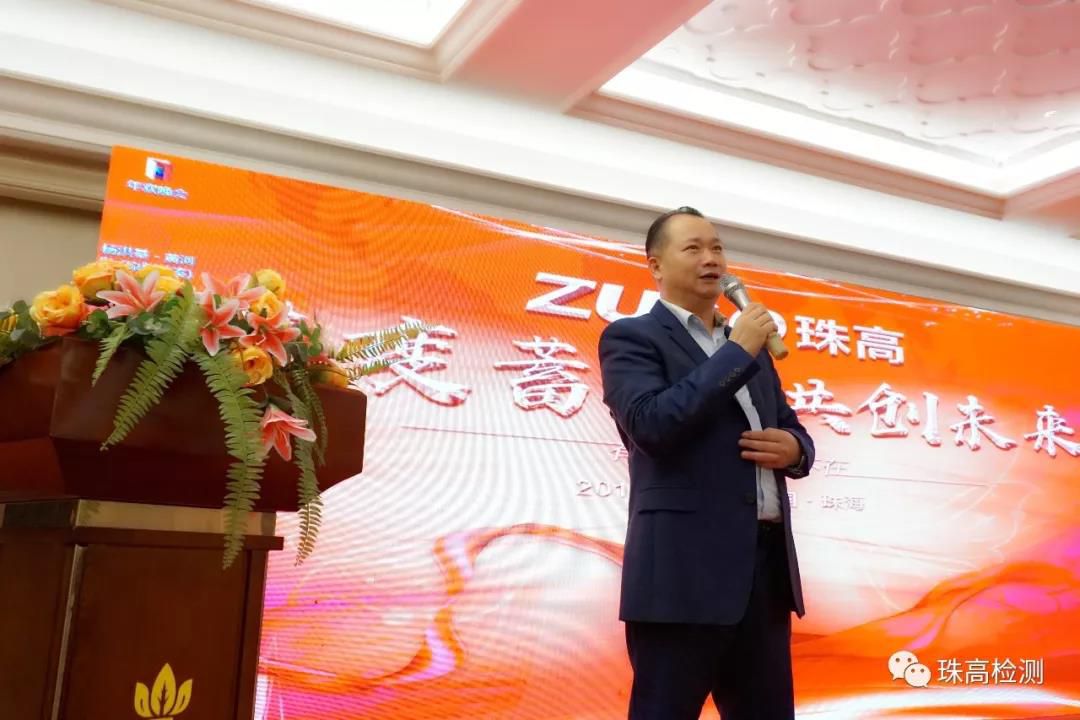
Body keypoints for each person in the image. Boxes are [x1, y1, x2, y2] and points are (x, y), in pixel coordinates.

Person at [598, 206, 815, 720]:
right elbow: (652, 425)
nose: (711, 258)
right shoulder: (632, 338)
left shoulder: (753, 350)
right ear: (655, 265)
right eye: (693, 248)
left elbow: (794, 428)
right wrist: (737, 352)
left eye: (717, 247)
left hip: (762, 573)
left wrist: (795, 450)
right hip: (681, 575)